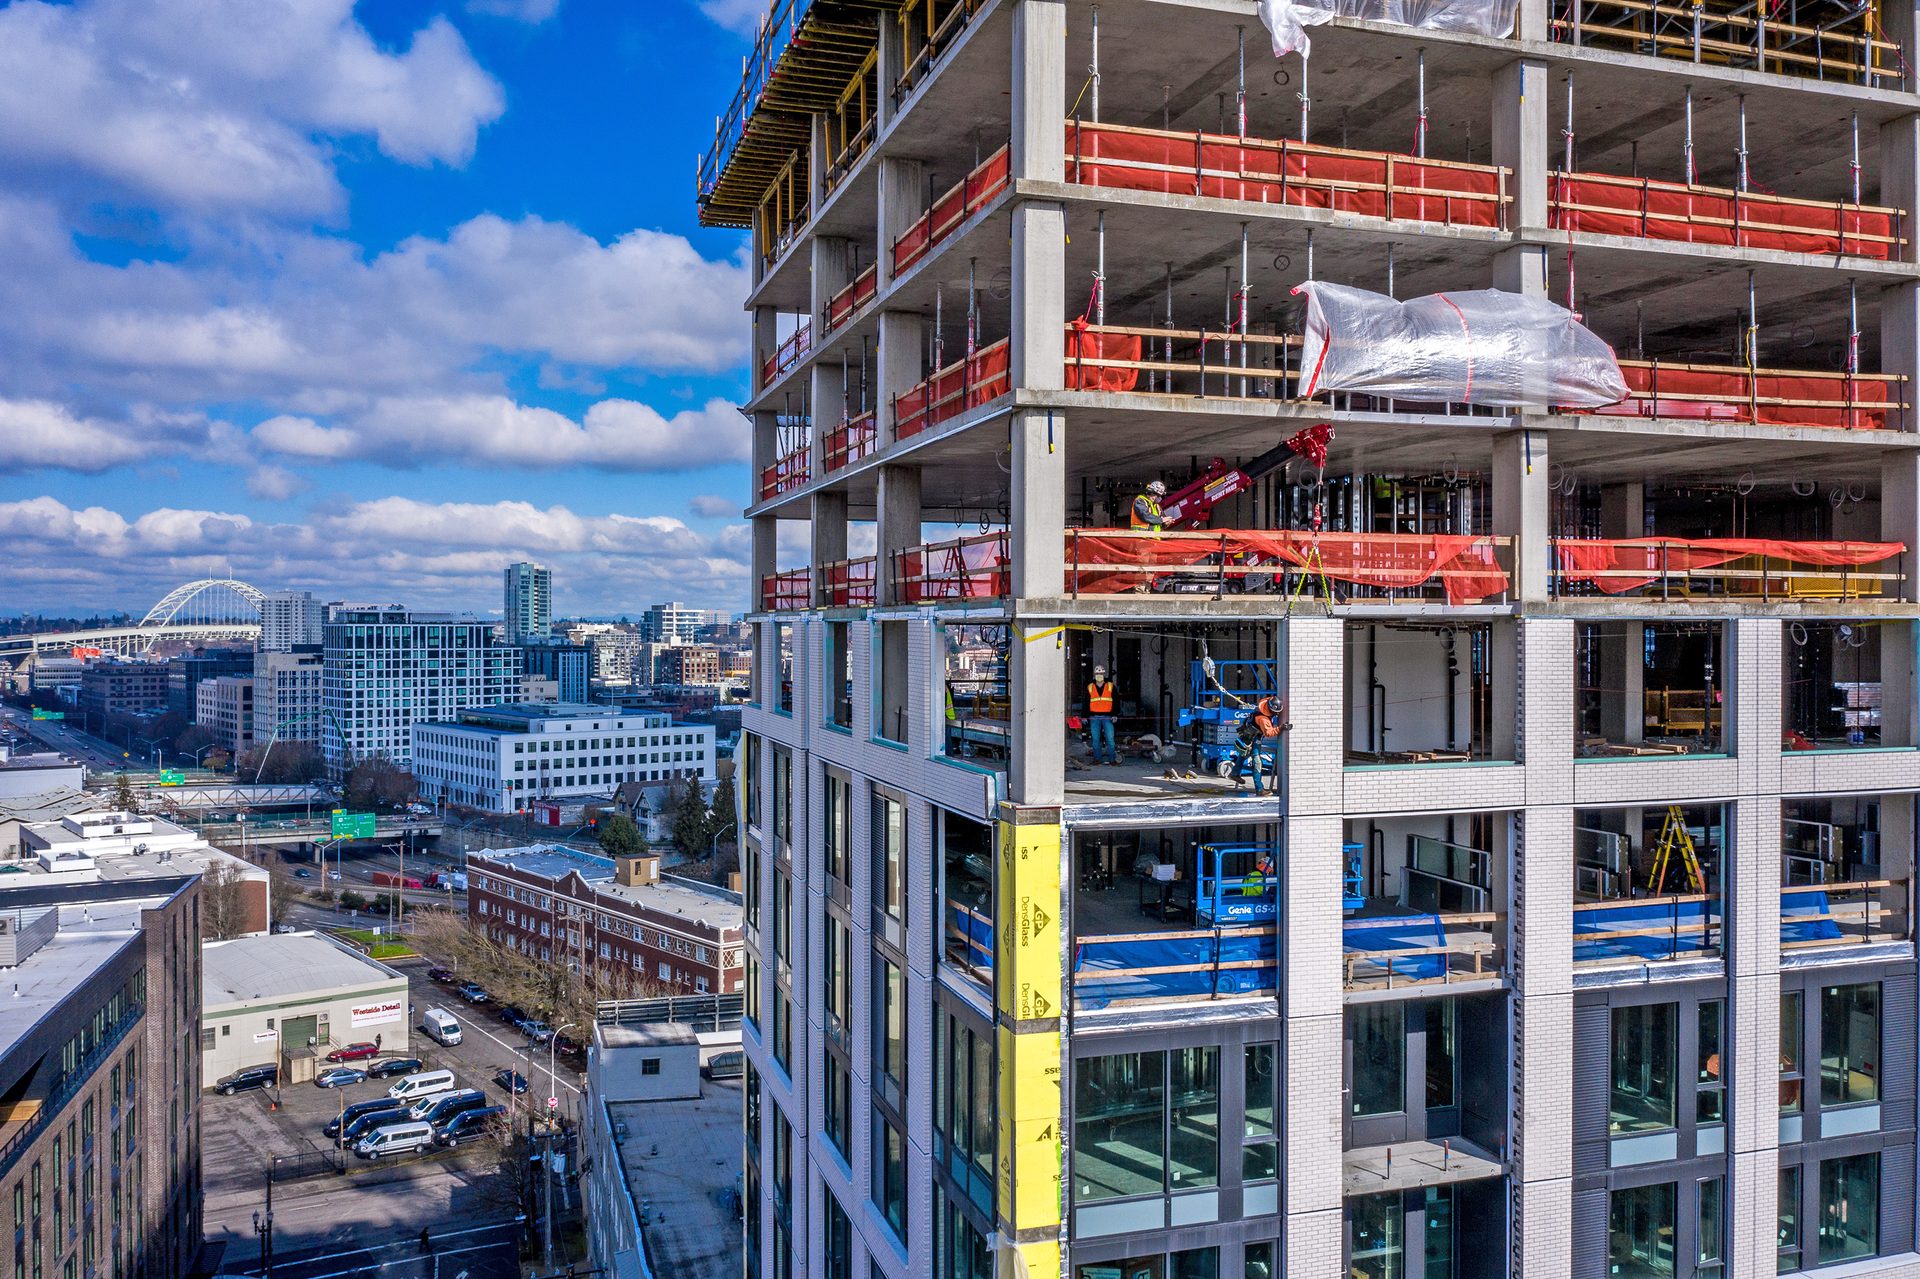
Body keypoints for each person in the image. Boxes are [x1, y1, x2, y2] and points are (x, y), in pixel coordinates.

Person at [1228, 696, 1290, 792]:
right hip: (1254, 739)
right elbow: (1269, 733)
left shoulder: (1262, 706)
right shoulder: (1263, 719)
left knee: (1244, 754)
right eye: (1276, 712)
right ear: (1270, 709)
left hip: (1247, 736)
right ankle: (1259, 789)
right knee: (1257, 762)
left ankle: (1235, 773)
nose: (1277, 714)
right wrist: (1281, 728)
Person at [1086, 665, 1118, 765]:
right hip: (1094, 717)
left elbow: (1116, 701)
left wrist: (1115, 714)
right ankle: (1097, 759)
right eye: (1097, 673)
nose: (1099, 675)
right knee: (1095, 740)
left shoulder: (1110, 686)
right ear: (1095, 675)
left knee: (1110, 739)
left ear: (1104, 674)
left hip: (1108, 717)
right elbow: (1086, 702)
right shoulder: (1090, 687)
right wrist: (1085, 716)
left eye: (1101, 673)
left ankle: (1112, 760)